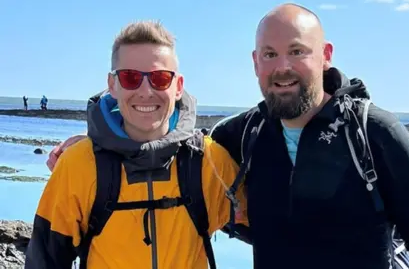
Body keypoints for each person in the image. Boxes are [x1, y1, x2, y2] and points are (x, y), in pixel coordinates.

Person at [46, 3, 409, 269]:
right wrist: (96, 141)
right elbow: (170, 143)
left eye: (297, 51)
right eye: (271, 55)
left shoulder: (372, 131)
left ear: (325, 55)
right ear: (256, 62)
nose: (283, 67)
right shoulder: (243, 134)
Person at [25, 21, 247, 269]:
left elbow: (274, 227)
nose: (145, 91)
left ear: (178, 87)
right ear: (112, 85)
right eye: (130, 78)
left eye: (160, 78)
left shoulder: (209, 161)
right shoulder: (78, 164)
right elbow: (44, 259)